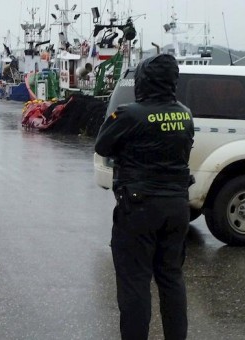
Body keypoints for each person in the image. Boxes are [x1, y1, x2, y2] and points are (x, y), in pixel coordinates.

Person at [94, 53, 194, 340]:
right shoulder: (184, 114)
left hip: (138, 207)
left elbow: (103, 146)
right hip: (176, 205)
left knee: (135, 282)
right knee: (171, 278)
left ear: (143, 80)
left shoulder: (129, 114)